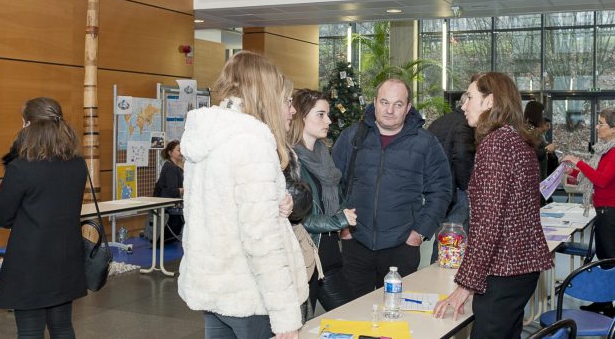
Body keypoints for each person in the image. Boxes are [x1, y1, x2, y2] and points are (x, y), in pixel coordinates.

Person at [179, 51, 307, 339]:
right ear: (265, 93)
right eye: (284, 98)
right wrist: (286, 317)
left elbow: (211, 212)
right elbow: (260, 239)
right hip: (251, 296)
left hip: (215, 290)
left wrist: (277, 205)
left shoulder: (207, 136)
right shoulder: (252, 142)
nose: (291, 109)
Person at [432, 72, 553, 339]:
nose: (463, 104)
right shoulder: (516, 140)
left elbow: (488, 223)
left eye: (470, 97)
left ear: (490, 101)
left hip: (503, 271)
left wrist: (465, 286)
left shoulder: (496, 145)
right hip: (520, 268)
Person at [331, 79, 452, 296]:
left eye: (397, 104)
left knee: (396, 315)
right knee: (354, 315)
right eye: (384, 102)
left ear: (408, 108)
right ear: (374, 103)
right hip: (356, 244)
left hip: (402, 248)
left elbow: (441, 191)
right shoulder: (352, 137)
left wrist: (418, 234)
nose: (389, 110)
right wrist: (344, 228)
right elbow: (332, 185)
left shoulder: (425, 143)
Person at [0, 97, 88, 339]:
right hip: (66, 256)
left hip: (30, 260)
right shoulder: (78, 164)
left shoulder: (21, 167)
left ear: (29, 126)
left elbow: (3, 216)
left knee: (30, 330)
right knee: (63, 326)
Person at [289, 89, 358, 313]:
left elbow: (335, 197)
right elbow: (298, 216)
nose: (328, 120)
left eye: (328, 114)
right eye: (320, 114)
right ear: (301, 117)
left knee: (349, 319)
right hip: (303, 260)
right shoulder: (289, 161)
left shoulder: (323, 153)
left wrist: (343, 215)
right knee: (296, 328)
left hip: (329, 257)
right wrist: (338, 220)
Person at [561, 107, 615, 315]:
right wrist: (573, 170)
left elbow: (601, 180)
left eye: (601, 124)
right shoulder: (608, 148)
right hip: (606, 209)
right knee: (605, 258)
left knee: (612, 261)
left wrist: (578, 161)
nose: (598, 127)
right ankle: (605, 301)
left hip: (612, 211)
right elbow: (595, 173)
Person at [426, 91, 475, 230]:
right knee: (455, 238)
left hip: (437, 188)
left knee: (442, 237)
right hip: (458, 190)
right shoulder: (466, 124)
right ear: (467, 103)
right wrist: (467, 187)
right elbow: (461, 156)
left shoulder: (438, 122)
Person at [154, 139, 185, 237]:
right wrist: (187, 190)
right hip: (168, 206)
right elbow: (172, 191)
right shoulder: (170, 168)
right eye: (179, 150)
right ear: (170, 153)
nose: (181, 152)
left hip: (171, 204)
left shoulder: (175, 167)